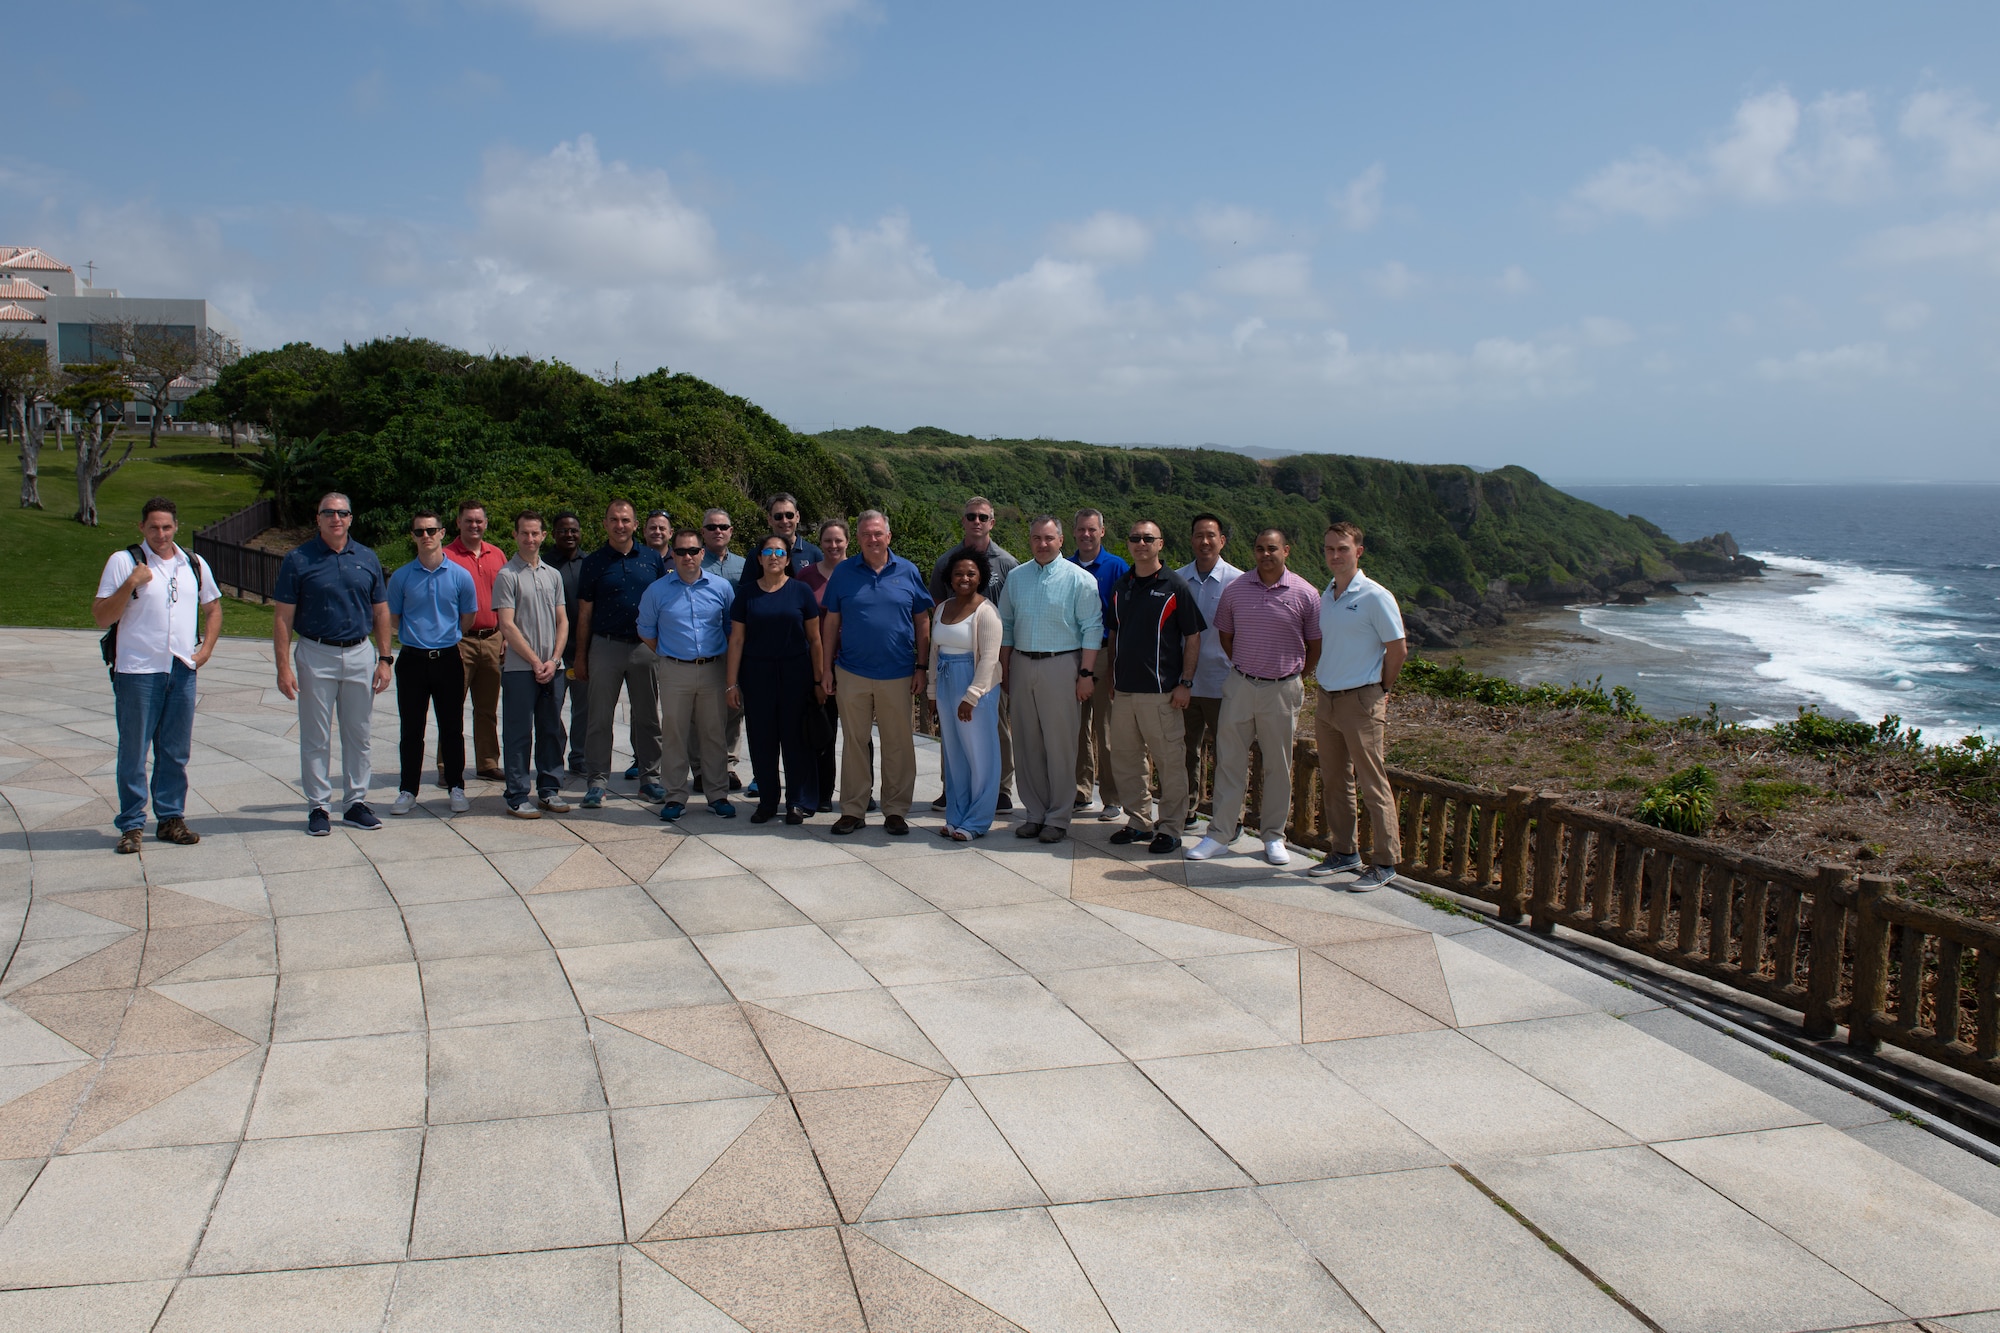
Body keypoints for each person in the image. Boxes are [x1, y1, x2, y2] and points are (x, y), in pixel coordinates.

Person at [92, 496, 223, 854]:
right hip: (138, 671)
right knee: (134, 751)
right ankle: (132, 824)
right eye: (153, 527)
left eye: (167, 527)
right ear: (142, 527)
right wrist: (131, 583)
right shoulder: (124, 561)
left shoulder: (193, 563)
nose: (161, 534)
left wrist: (206, 650)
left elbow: (213, 608)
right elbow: (102, 616)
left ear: (176, 526)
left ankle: (170, 818)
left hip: (181, 669)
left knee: (175, 751)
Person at [1187, 528, 1321, 866]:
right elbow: (1227, 637)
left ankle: (1273, 836)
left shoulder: (1305, 593)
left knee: (1278, 765)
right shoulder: (1236, 589)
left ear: (1286, 550)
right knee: (1229, 761)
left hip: (1282, 688)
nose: (1265, 554)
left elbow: (1315, 645)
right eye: (1260, 548)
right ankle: (1220, 833)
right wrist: (1247, 667)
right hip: (1240, 683)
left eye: (1272, 548)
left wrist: (1294, 676)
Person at [272, 491, 393, 836]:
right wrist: (283, 667)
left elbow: (380, 611)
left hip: (359, 653)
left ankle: (355, 803)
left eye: (342, 513)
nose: (335, 518)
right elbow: (283, 617)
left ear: (351, 518)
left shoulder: (366, 557)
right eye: (328, 512)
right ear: (318, 519)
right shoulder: (298, 559)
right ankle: (318, 806)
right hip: (316, 653)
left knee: (359, 734)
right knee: (316, 736)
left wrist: (385, 659)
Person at [1307, 522, 1409, 891]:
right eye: (1330, 549)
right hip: (1327, 698)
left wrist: (1382, 689)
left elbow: (1397, 649)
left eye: (1343, 549)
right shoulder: (1326, 595)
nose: (1335, 555)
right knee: (1335, 780)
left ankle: (1384, 861)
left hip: (1361, 699)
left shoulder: (1375, 596)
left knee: (1372, 782)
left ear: (1358, 552)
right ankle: (1344, 851)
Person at [821, 510, 933, 836]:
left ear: (888, 536)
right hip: (851, 672)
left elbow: (922, 620)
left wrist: (921, 666)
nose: (873, 539)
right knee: (854, 743)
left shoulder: (908, 571)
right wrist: (826, 669)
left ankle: (895, 811)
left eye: (878, 533)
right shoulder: (844, 572)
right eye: (866, 534)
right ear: (858, 538)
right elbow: (831, 622)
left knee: (898, 744)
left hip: (898, 673)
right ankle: (853, 810)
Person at [996, 515, 1101, 845]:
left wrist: (1086, 674)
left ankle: (1058, 817)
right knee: (1027, 743)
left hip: (1062, 664)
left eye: (1049, 538)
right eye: (1036, 538)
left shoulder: (1079, 579)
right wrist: (1005, 669)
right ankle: (1035, 813)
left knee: (1060, 745)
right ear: (1030, 540)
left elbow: (1092, 629)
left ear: (1061, 541)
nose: (1042, 544)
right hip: (1022, 664)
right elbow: (1006, 625)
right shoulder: (1017, 577)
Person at [1103, 519, 1205, 855]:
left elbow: (1193, 636)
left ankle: (1172, 827)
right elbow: (1114, 632)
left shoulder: (1175, 585)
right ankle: (1139, 821)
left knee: (1169, 762)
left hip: (1162, 692)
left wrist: (1185, 683)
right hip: (1125, 691)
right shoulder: (1122, 585)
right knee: (1127, 761)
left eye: (1148, 538)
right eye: (1135, 538)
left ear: (1160, 543)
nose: (1141, 544)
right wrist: (1113, 676)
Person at [928, 495, 1019, 814]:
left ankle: (1001, 789)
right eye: (971, 516)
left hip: (991, 660)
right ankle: (951, 786)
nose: (976, 522)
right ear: (963, 521)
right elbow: (937, 608)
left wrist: (1005, 665)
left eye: (982, 517)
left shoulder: (1007, 563)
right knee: (952, 729)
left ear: (992, 522)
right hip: (952, 662)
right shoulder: (946, 562)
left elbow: (1012, 615)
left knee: (995, 727)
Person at [574, 499, 667, 809]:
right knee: (599, 718)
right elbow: (585, 613)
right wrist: (581, 655)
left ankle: (650, 779)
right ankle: (597, 782)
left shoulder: (652, 559)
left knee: (648, 718)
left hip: (644, 646)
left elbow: (663, 606)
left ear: (635, 524)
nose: (620, 525)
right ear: (605, 524)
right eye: (614, 519)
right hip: (605, 645)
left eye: (626, 520)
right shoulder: (594, 562)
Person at [726, 532, 825, 824]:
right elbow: (736, 640)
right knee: (762, 740)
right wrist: (731, 683)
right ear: (759, 558)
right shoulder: (746, 593)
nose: (773, 557)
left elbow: (815, 640)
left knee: (796, 740)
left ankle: (797, 801)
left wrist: (819, 681)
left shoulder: (801, 591)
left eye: (780, 552)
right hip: (757, 675)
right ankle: (767, 801)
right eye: (768, 552)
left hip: (796, 674)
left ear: (787, 559)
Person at [639, 531, 737, 822]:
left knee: (714, 734)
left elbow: (732, 629)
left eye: (693, 550)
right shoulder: (657, 590)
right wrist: (671, 653)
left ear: (702, 553)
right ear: (673, 555)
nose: (687, 557)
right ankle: (675, 796)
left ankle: (717, 794)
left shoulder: (722, 588)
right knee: (674, 735)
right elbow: (645, 630)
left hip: (713, 669)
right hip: (674, 670)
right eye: (681, 551)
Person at [386, 509, 477, 816]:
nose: (425, 536)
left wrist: (445, 636)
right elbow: (394, 618)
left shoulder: (460, 576)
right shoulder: (401, 577)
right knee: (411, 730)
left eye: (430, 530)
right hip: (412, 659)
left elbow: (467, 618)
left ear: (442, 533)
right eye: (419, 532)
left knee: (452, 728)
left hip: (447, 658)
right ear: (413, 536)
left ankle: (456, 786)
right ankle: (408, 790)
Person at [494, 510, 571, 819]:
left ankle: (549, 789)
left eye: (535, 533)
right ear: (515, 535)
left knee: (551, 729)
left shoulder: (553, 575)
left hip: (553, 668)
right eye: (524, 533)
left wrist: (554, 660)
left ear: (543, 536)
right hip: (520, 668)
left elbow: (563, 620)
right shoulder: (507, 575)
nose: (530, 538)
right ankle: (516, 793)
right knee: (518, 732)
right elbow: (507, 625)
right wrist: (536, 661)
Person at [929, 549, 1004, 840]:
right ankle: (956, 816)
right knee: (954, 755)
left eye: (971, 573)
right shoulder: (942, 609)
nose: (964, 578)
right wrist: (933, 692)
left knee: (981, 755)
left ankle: (977, 821)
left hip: (975, 687)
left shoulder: (987, 611)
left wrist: (971, 697)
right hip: (946, 682)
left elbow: (989, 659)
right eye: (959, 573)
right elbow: (935, 652)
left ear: (980, 577)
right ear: (950, 577)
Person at [1177, 513, 1242, 826]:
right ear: (1191, 540)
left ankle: (1229, 818)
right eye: (1198, 535)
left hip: (1223, 682)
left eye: (1211, 535)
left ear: (1222, 541)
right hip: (1184, 682)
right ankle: (1186, 809)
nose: (1204, 541)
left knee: (1228, 754)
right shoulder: (1177, 580)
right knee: (1184, 751)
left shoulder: (1238, 582)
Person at [1069, 508, 1130, 821]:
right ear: (1073, 532)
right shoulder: (1065, 566)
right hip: (1072, 653)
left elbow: (1125, 615)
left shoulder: (1117, 566)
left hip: (1105, 654)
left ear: (1102, 532)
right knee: (1075, 729)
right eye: (1081, 529)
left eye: (1092, 529)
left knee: (1105, 731)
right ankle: (1080, 792)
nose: (1086, 535)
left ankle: (1112, 797)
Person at [444, 500, 508, 782]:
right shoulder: (446, 556)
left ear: (486, 523)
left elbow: (506, 599)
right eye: (468, 520)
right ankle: (447, 765)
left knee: (487, 709)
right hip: (459, 641)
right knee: (451, 706)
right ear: (458, 522)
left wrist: (505, 634)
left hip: (492, 639)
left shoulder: (497, 554)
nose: (474, 525)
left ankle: (487, 763)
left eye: (479, 521)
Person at [693, 507, 746, 795]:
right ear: (703, 532)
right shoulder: (693, 561)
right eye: (711, 527)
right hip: (704, 646)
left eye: (723, 526)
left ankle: (727, 765)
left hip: (735, 647)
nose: (717, 531)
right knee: (698, 711)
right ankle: (700, 768)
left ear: (731, 531)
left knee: (733, 707)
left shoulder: (744, 564)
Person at [798, 518, 849, 812]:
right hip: (817, 664)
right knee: (821, 730)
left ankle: (861, 792)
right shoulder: (806, 576)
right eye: (828, 540)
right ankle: (821, 793)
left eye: (838, 540)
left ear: (847, 542)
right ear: (820, 543)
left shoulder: (857, 572)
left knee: (857, 734)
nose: (833, 546)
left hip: (852, 662)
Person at [545, 510, 589, 775]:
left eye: (573, 530)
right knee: (551, 708)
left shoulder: (590, 563)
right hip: (553, 651)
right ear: (553, 534)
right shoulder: (544, 565)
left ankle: (580, 756)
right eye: (563, 530)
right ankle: (554, 756)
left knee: (584, 710)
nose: (569, 535)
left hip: (583, 649)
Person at [762, 493, 823, 576]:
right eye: (778, 516)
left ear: (797, 517)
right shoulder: (757, 554)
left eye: (789, 515)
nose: (784, 521)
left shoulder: (814, 554)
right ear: (769, 520)